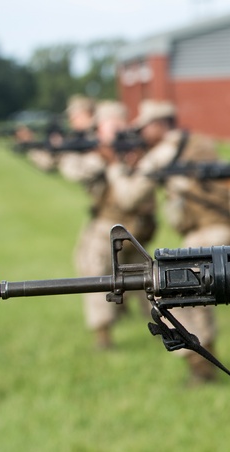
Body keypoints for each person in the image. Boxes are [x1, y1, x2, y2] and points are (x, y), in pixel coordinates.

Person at [105, 99, 230, 385]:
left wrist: (116, 167)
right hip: (223, 231)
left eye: (145, 128)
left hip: (205, 233)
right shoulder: (198, 142)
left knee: (174, 293)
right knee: (198, 300)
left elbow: (129, 196)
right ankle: (206, 361)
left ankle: (198, 365)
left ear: (160, 124)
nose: (141, 135)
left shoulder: (163, 153)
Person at [58, 100, 157, 350]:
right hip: (136, 224)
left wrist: (111, 159)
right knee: (142, 273)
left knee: (93, 267)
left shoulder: (131, 151)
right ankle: (156, 320)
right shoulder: (114, 150)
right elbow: (74, 170)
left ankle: (102, 334)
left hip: (118, 225)